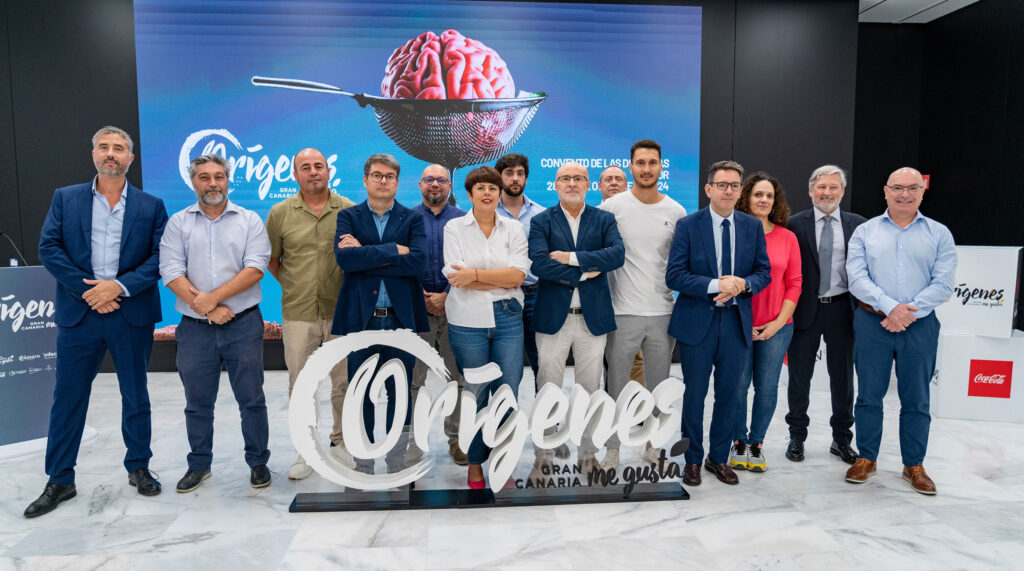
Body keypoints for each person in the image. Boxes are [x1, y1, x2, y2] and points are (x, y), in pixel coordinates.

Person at [27, 126, 168, 517]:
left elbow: (160, 257)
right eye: (104, 147)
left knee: (135, 394)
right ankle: (60, 479)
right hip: (81, 313)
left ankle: (139, 466)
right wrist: (89, 291)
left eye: (119, 148)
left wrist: (117, 288)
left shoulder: (151, 205)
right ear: (93, 155)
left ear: (130, 158)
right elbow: (49, 248)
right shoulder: (65, 198)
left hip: (130, 312)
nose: (111, 153)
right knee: (68, 398)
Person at [159, 154, 272, 493]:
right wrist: (208, 310)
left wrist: (213, 300)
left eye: (219, 176)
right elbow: (171, 271)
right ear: (193, 181)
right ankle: (199, 465)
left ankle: (258, 462)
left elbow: (255, 268)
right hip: (195, 329)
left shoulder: (249, 220)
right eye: (204, 177)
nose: (212, 183)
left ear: (228, 181)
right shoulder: (178, 223)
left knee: (251, 399)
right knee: (197, 402)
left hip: (243, 324)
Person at [844, 167, 956, 495]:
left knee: (917, 398)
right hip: (872, 323)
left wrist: (907, 312)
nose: (904, 194)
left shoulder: (939, 234)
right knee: (868, 396)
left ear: (922, 192)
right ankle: (866, 458)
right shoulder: (865, 232)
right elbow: (856, 278)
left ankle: (914, 465)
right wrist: (891, 307)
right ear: (885, 191)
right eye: (897, 188)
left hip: (920, 326)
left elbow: (943, 284)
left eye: (912, 188)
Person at [667, 160, 771, 487]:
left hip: (736, 323)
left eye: (734, 186)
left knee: (729, 395)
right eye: (722, 185)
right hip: (698, 323)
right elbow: (675, 275)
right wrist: (716, 285)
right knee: (695, 395)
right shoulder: (688, 225)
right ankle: (692, 459)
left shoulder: (751, 226)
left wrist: (743, 284)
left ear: (740, 191)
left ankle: (719, 458)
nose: (728, 191)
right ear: (708, 189)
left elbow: (763, 272)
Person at [332, 153, 429, 474]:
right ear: (365, 179)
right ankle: (363, 461)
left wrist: (365, 253)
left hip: (401, 321)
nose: (383, 181)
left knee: (400, 394)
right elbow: (345, 261)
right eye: (377, 175)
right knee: (361, 392)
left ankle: (396, 461)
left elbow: (417, 263)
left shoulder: (412, 219)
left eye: (389, 176)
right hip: (361, 320)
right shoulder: (348, 216)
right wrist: (393, 250)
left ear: (397, 182)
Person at [528, 161, 624, 476]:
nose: (572, 183)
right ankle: (543, 456)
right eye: (565, 178)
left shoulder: (604, 219)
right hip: (552, 319)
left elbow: (616, 255)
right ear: (556, 184)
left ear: (588, 184)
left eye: (578, 178)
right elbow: (540, 264)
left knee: (590, 390)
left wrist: (570, 258)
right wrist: (585, 272)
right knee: (548, 389)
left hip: (592, 320)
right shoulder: (542, 221)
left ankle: (588, 455)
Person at [266, 148, 357, 480]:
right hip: (298, 311)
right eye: (305, 167)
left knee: (344, 382)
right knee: (301, 384)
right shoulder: (279, 213)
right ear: (295, 175)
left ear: (328, 171)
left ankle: (342, 443)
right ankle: (306, 450)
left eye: (319, 166)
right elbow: (272, 259)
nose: (313, 171)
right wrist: (294, 284)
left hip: (341, 311)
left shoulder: (349, 210)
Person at [598, 140, 686, 471]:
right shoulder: (612, 207)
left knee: (660, 387)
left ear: (661, 166)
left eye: (652, 163)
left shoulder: (676, 211)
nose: (646, 169)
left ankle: (653, 446)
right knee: (617, 386)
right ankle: (613, 449)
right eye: (640, 163)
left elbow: (680, 262)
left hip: (663, 312)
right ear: (631, 166)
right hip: (622, 311)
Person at [442, 166, 530, 489]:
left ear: (499, 193)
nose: (488, 193)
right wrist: (498, 278)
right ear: (470, 194)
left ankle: (503, 463)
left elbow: (518, 276)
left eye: (493, 188)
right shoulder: (454, 228)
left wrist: (476, 276)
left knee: (507, 393)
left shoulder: (513, 228)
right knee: (476, 393)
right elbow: (456, 278)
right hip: (467, 320)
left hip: (508, 317)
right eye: (480, 188)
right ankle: (476, 463)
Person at [784, 166, 866, 464]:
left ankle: (842, 440)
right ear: (810, 191)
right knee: (799, 377)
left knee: (843, 378)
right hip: (805, 309)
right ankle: (796, 437)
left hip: (843, 309)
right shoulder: (794, 224)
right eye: (821, 187)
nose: (827, 193)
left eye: (833, 187)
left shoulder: (859, 225)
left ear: (842, 191)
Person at [728, 173, 802, 472]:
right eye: (758, 194)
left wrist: (777, 323)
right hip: (738, 323)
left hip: (778, 326)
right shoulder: (733, 234)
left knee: (767, 387)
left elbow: (795, 283)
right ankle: (738, 441)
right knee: (737, 386)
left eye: (769, 195)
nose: (764, 200)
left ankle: (756, 443)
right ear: (746, 197)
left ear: (776, 201)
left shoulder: (787, 237)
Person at [408, 163, 468, 466]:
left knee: (457, 379)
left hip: (456, 308)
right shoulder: (406, 219)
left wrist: (446, 294)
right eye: (429, 179)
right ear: (420, 185)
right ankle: (413, 442)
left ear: (449, 186)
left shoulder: (463, 220)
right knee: (413, 380)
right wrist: (421, 294)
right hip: (416, 311)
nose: (435, 184)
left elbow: (468, 261)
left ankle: (456, 439)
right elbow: (400, 260)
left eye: (441, 180)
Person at [495, 153, 545, 384]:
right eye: (509, 173)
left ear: (526, 177)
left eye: (520, 173)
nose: (515, 178)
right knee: (505, 364)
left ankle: (545, 408)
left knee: (542, 361)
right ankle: (505, 407)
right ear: (499, 177)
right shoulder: (486, 213)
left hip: (536, 295)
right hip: (500, 296)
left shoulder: (541, 214)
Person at [598, 165, 645, 387]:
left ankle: (636, 404)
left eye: (619, 179)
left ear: (627, 185)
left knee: (633, 359)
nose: (614, 183)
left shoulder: (640, 218)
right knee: (593, 359)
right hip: (596, 300)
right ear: (599, 186)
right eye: (608, 179)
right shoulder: (589, 218)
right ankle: (599, 406)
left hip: (630, 301)